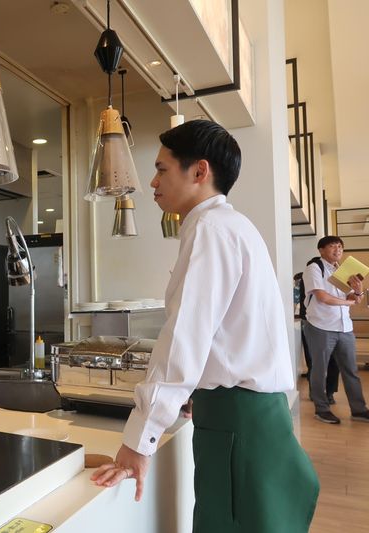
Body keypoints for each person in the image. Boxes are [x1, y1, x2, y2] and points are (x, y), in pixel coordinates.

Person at [90, 120, 319, 532]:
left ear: (199, 171)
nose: (153, 181)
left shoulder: (209, 229)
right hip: (248, 414)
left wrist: (139, 441)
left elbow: (184, 339)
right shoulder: (232, 226)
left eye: (161, 169)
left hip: (237, 420)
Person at [302, 235, 369, 424]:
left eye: (340, 246)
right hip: (320, 326)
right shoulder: (314, 268)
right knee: (319, 370)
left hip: (345, 327)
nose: (338, 249)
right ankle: (321, 409)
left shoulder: (342, 270)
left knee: (351, 370)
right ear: (321, 250)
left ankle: (359, 410)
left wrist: (358, 289)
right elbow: (323, 297)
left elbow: (355, 299)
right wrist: (350, 302)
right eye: (333, 246)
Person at [295, 268, 340, 403]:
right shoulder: (309, 278)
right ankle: (322, 392)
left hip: (330, 323)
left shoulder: (334, 278)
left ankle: (325, 392)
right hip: (314, 323)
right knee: (320, 361)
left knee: (323, 361)